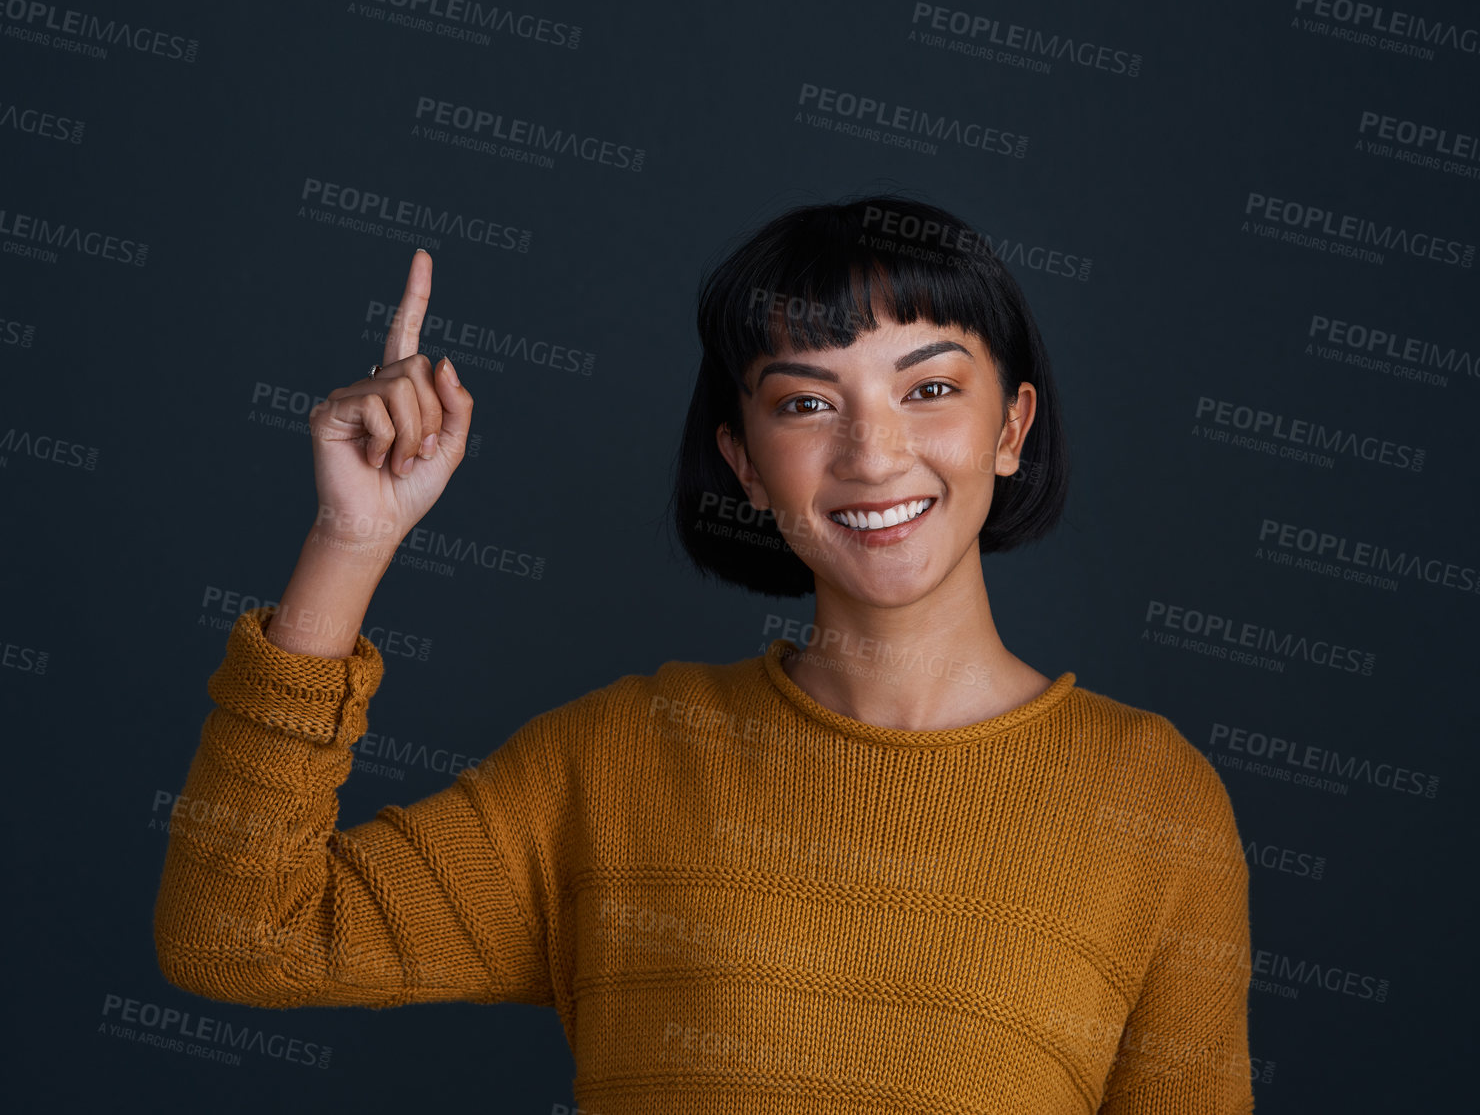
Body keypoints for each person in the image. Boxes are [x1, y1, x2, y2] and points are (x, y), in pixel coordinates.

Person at [154, 194, 1254, 1112]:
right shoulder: (620, 759)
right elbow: (240, 936)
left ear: (1010, 428)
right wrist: (350, 544)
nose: (874, 453)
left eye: (928, 388)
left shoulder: (1152, 802)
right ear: (740, 460)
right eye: (807, 402)